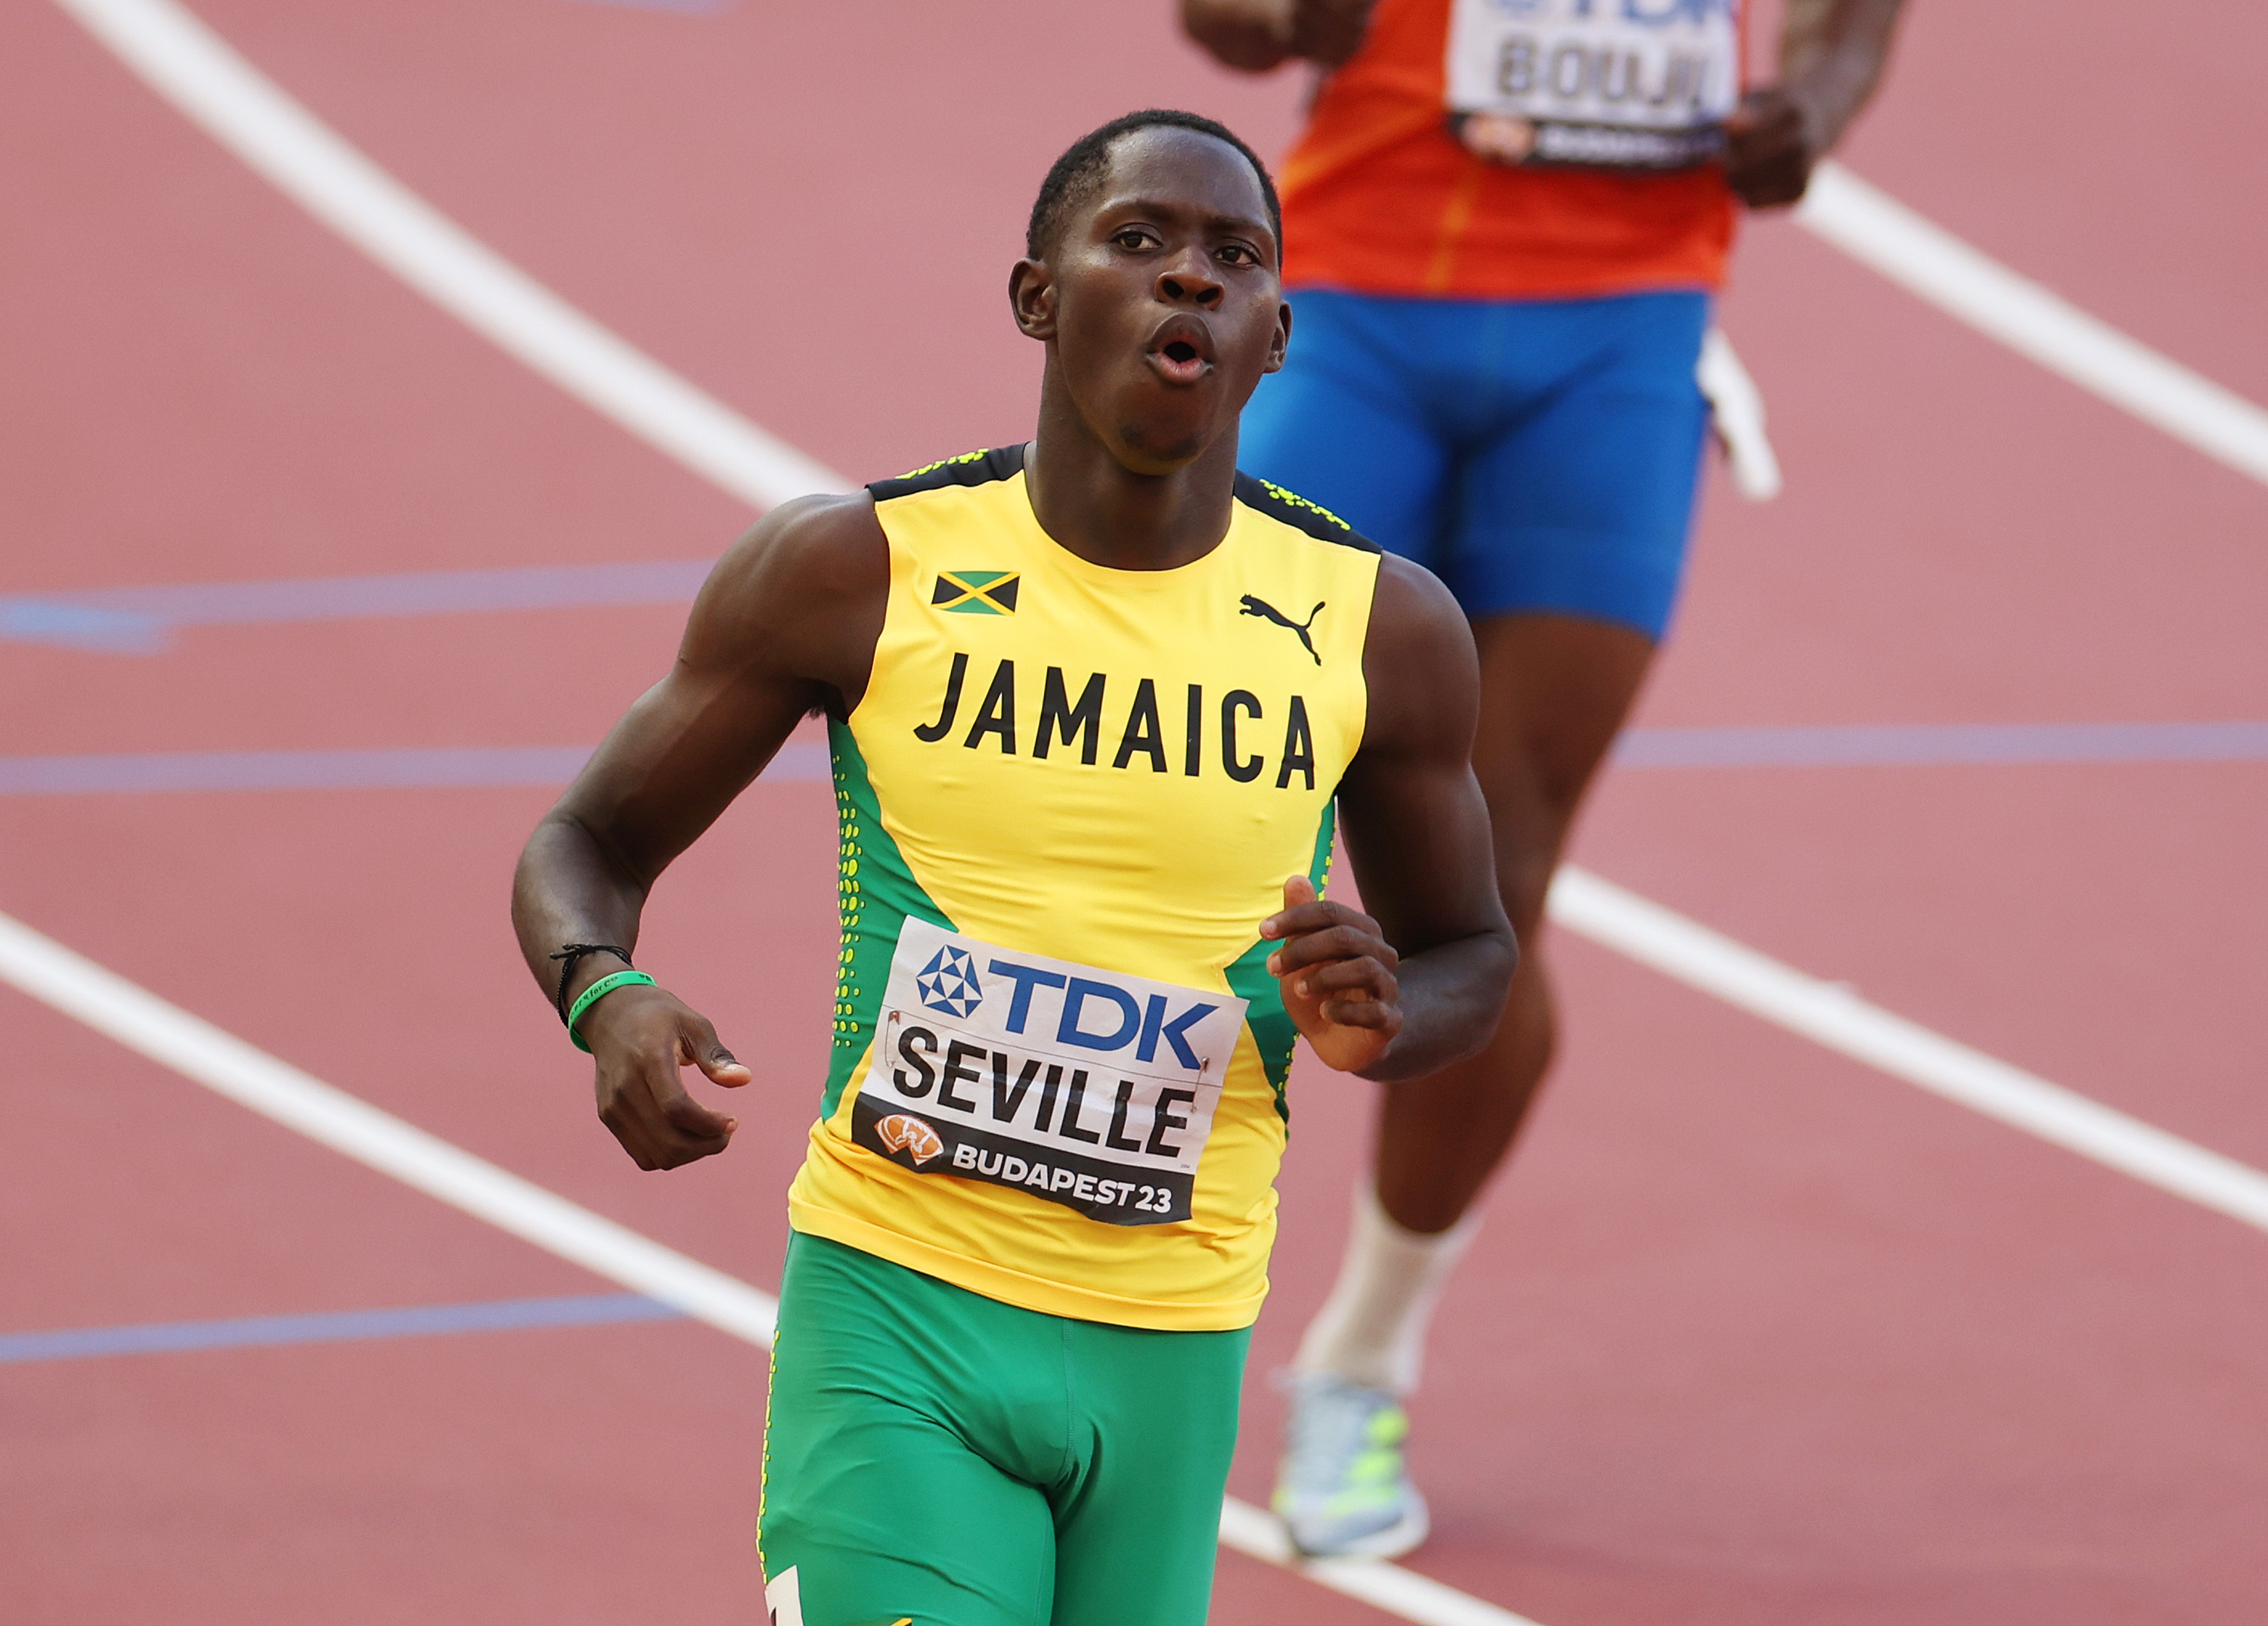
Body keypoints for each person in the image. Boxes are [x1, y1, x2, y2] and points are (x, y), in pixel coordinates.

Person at [511, 109, 1514, 1626]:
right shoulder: (860, 571)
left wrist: (1382, 1020)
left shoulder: (1379, 626)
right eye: (1139, 241)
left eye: (1230, 259)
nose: (1189, 280)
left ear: (1276, 336)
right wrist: (607, 990)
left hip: (1174, 1340)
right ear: (1039, 295)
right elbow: (587, 840)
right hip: (898, 1305)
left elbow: (1472, 954)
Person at [1181, 0, 1910, 1559]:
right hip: (1364, 301)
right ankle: (1080, 1270)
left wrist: (1820, 103)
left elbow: (1852, 22)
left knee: (1486, 890)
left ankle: (1360, 1356)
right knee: (1190, 796)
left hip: (1621, 334)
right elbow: (1225, 24)